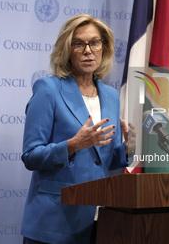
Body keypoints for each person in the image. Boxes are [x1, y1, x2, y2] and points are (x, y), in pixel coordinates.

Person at [20, 14, 135, 244]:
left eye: (94, 42)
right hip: (53, 222)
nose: (88, 50)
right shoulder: (48, 89)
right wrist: (73, 145)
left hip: (98, 219)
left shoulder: (111, 96)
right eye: (78, 43)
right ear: (67, 50)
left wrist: (128, 149)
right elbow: (31, 157)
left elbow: (100, 160)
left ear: (104, 48)